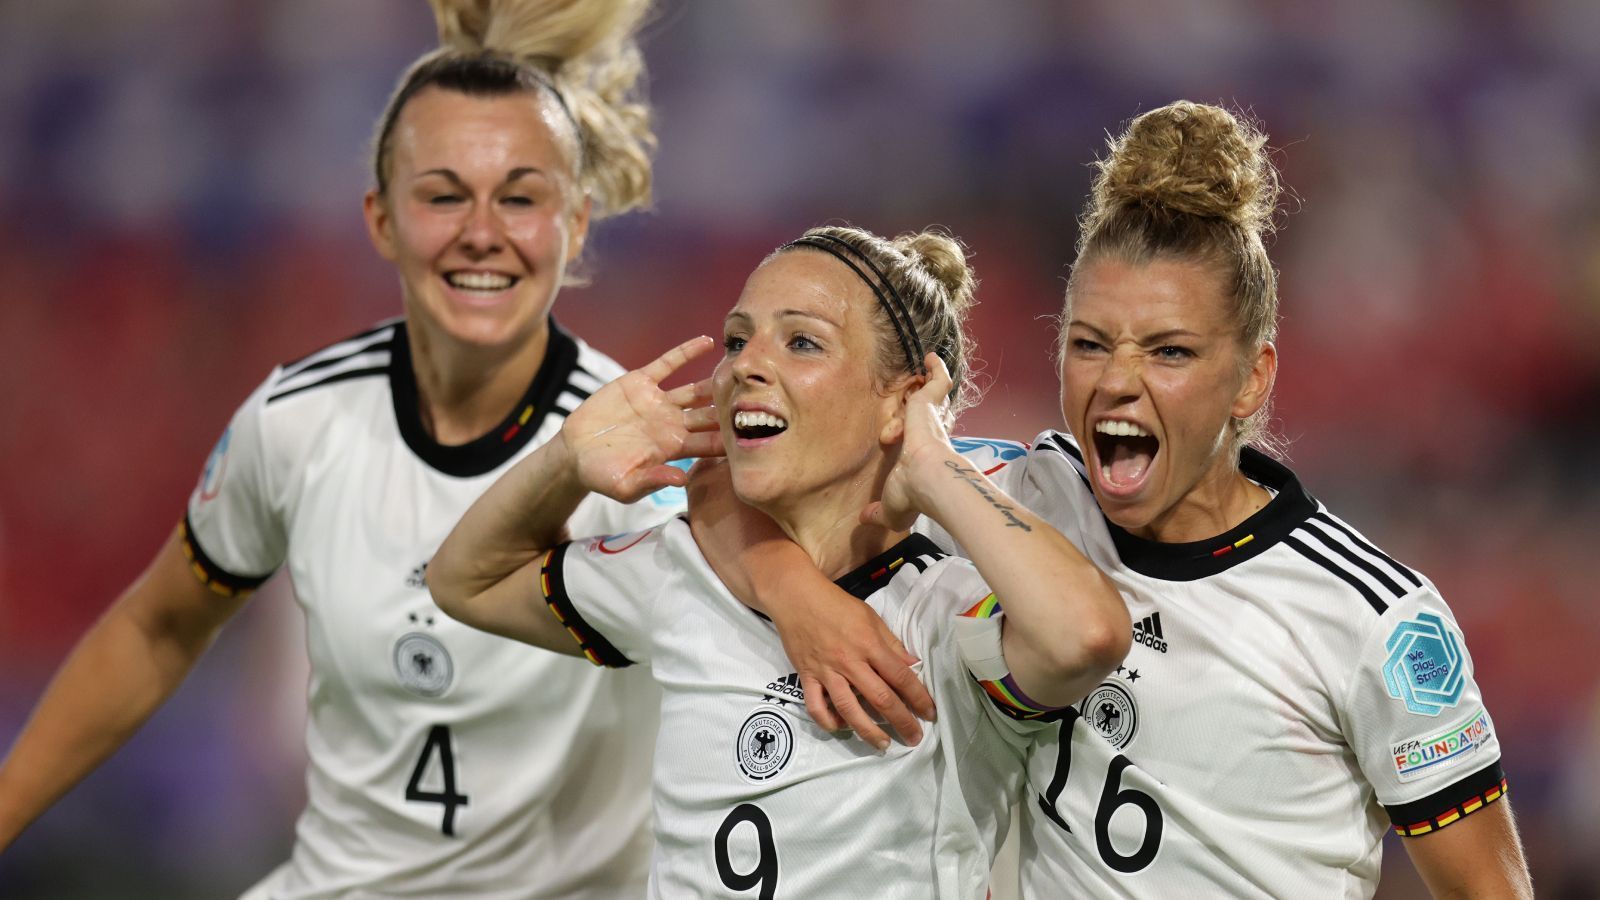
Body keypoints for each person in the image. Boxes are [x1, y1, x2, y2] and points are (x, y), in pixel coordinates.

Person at [698, 103, 1534, 898]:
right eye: (1089, 346)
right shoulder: (1008, 500)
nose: (1118, 383)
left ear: (1252, 378)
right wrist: (792, 590)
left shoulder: (1371, 619)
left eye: (1169, 353)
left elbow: (1488, 888)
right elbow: (733, 474)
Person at [0, 1, 679, 896]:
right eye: (443, 194)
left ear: (577, 223)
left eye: (521, 197)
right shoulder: (299, 422)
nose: (482, 231)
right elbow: (158, 627)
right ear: (382, 219)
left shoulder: (637, 455)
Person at [427, 223, 1131, 897]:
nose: (746, 365)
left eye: (802, 342)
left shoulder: (947, 609)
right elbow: (466, 581)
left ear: (904, 397)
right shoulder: (685, 570)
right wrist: (565, 462)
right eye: (738, 340)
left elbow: (1087, 636)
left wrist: (932, 460)